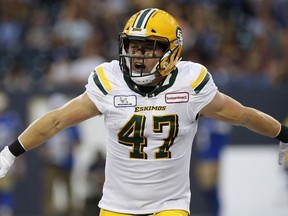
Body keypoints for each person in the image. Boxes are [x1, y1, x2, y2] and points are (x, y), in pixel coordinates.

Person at [0, 8, 287, 216]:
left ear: (171, 52)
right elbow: (56, 120)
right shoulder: (108, 81)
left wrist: (283, 134)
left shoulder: (191, 85)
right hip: (116, 205)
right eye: (133, 47)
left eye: (148, 49)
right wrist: (10, 152)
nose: (137, 56)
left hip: (169, 205)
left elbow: (245, 115)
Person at [38, 93, 81, 216]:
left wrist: (69, 147)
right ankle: (49, 212)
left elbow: (78, 142)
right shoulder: (45, 124)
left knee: (69, 190)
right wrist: (46, 151)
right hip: (51, 163)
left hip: (67, 162)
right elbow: (40, 146)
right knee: (48, 191)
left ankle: (71, 212)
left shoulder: (72, 123)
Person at [194, 119, 232, 216]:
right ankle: (211, 211)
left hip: (212, 158)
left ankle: (216, 212)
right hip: (202, 157)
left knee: (211, 187)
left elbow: (224, 133)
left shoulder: (219, 121)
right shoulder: (202, 120)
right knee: (205, 187)